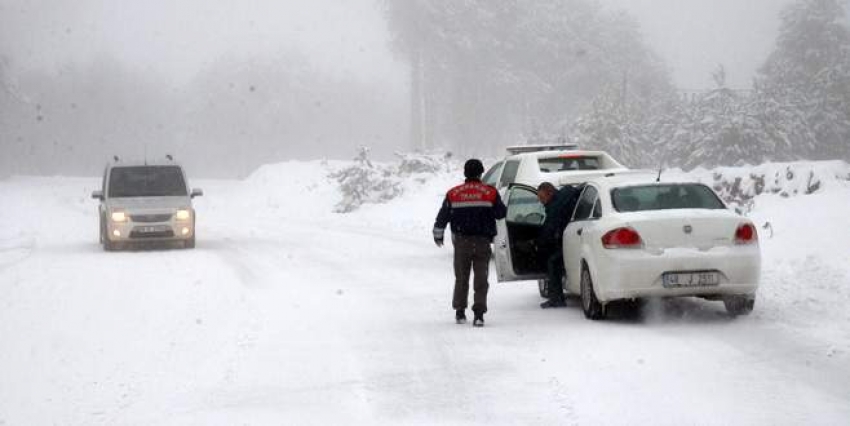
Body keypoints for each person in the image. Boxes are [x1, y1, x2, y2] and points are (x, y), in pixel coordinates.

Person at [433, 159, 507, 327]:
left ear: (465, 173)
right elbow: (501, 213)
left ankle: (460, 312)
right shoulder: (490, 192)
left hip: (461, 242)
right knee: (481, 278)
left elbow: (442, 217)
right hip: (482, 242)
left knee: (461, 277)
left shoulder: (453, 193)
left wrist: (438, 235)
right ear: (481, 173)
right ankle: (479, 314)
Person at [534, 182, 583, 309]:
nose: (541, 202)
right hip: (573, 237)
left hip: (573, 239)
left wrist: (538, 243)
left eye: (542, 198)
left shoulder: (555, 206)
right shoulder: (564, 195)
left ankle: (556, 299)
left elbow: (550, 229)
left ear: (550, 192)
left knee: (553, 262)